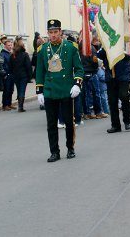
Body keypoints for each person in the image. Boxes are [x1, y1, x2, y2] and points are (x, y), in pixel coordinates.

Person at [36, 19, 84, 162]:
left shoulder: (70, 47)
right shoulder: (43, 49)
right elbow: (39, 71)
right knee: (51, 124)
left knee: (69, 122)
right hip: (50, 90)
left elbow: (79, 68)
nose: (53, 35)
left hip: (66, 89)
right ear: (48, 33)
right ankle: (54, 152)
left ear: (60, 32)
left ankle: (70, 148)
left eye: (56, 32)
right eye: (51, 32)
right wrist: (39, 91)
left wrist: (77, 84)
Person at [97, 48, 130, 133]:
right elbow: (99, 55)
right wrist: (105, 47)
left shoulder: (123, 43)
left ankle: (127, 121)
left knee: (124, 96)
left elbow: (129, 56)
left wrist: (118, 50)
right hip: (110, 76)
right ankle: (115, 125)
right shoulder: (106, 44)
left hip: (123, 76)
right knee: (112, 101)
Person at [9, 38, 32, 112]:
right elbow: (28, 66)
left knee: (19, 90)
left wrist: (12, 74)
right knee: (22, 90)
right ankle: (20, 106)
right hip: (23, 75)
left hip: (15, 75)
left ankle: (20, 105)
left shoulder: (12, 55)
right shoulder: (25, 55)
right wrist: (30, 76)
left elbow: (10, 66)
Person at [0, 40, 15, 111]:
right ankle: (5, 105)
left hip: (12, 74)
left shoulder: (11, 53)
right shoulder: (2, 54)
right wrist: (4, 74)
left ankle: (9, 104)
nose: (10, 46)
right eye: (9, 45)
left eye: (11, 45)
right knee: (6, 90)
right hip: (6, 74)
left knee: (11, 90)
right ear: (5, 46)